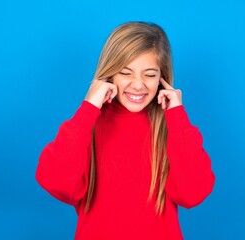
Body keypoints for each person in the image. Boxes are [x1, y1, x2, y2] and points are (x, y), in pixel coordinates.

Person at [35, 21, 215, 240]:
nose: (138, 85)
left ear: (162, 79)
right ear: (110, 74)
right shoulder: (87, 126)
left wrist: (177, 116)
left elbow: (193, 194)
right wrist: (88, 108)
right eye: (125, 73)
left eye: (149, 75)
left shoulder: (173, 129)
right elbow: (56, 182)